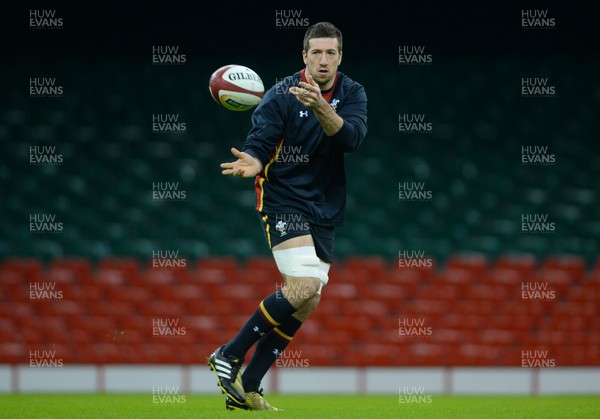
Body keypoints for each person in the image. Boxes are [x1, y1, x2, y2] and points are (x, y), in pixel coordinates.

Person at [207, 21, 367, 411]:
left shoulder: (353, 93)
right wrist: (253, 162)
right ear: (305, 56)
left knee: (307, 300)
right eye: (317, 52)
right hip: (283, 200)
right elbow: (260, 142)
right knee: (305, 284)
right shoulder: (279, 95)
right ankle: (228, 354)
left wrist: (321, 107)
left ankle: (249, 386)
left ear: (340, 57)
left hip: (325, 208)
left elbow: (352, 140)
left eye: (331, 53)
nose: (324, 60)